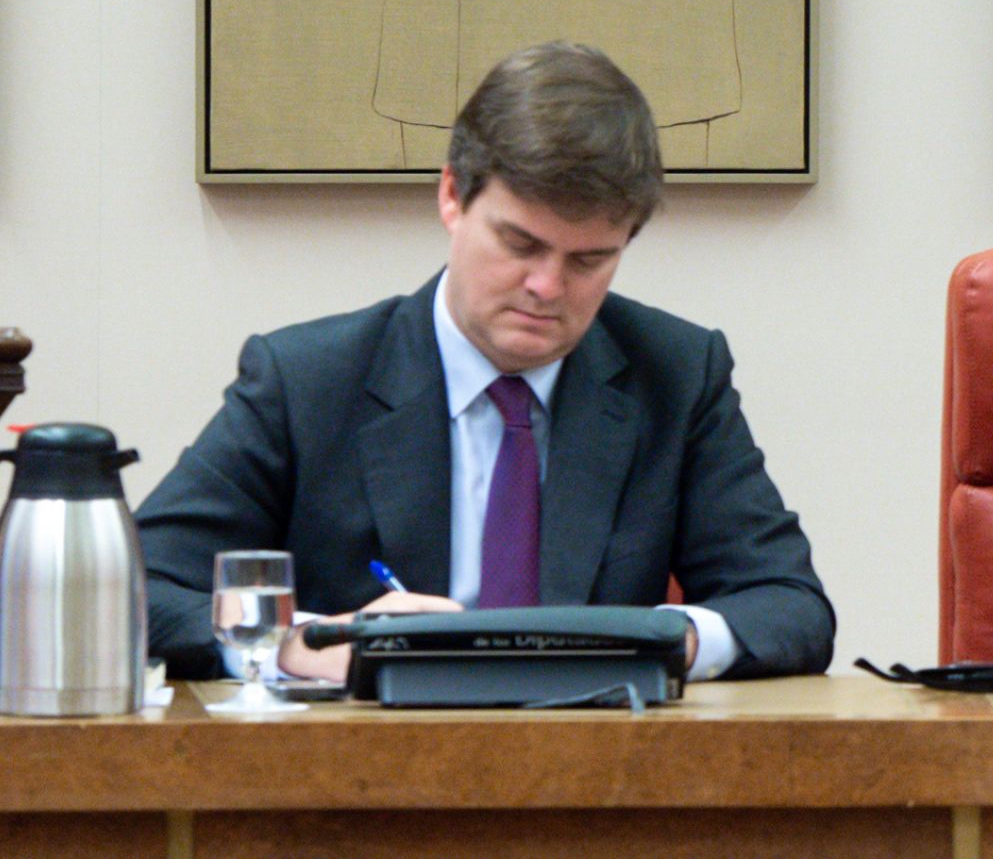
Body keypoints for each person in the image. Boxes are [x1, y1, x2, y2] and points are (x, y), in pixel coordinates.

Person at [139, 41, 833, 683]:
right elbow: (138, 588)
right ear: (451, 195)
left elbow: (790, 606)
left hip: (600, 778)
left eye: (589, 259)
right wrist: (302, 643)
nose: (547, 286)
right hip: (361, 785)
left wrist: (652, 639)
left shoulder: (676, 374)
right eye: (520, 244)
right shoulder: (308, 380)